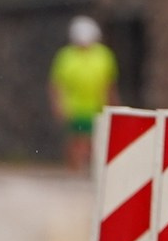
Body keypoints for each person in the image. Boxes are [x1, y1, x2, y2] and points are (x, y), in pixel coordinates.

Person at [49, 16, 118, 173]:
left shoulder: (103, 55)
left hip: (97, 106)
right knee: (77, 139)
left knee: (95, 140)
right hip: (74, 106)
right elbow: (57, 84)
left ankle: (91, 169)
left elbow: (109, 84)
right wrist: (58, 104)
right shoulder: (66, 56)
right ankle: (75, 169)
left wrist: (112, 103)